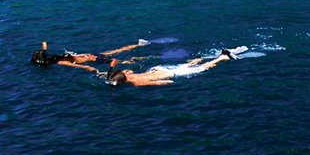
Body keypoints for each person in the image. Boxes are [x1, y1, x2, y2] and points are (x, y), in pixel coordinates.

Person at [105, 47, 247, 87]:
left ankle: (223, 57)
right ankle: (199, 58)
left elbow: (160, 82)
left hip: (168, 74)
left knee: (202, 68)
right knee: (185, 65)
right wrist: (111, 70)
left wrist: (168, 83)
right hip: (158, 69)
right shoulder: (129, 73)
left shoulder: (136, 83)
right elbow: (117, 75)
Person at [30, 39, 149, 72]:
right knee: (115, 51)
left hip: (94, 59)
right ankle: (138, 44)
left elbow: (79, 66)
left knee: (120, 61)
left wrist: (90, 68)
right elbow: (44, 50)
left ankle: (141, 59)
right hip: (90, 55)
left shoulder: (59, 62)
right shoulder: (58, 57)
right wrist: (44, 45)